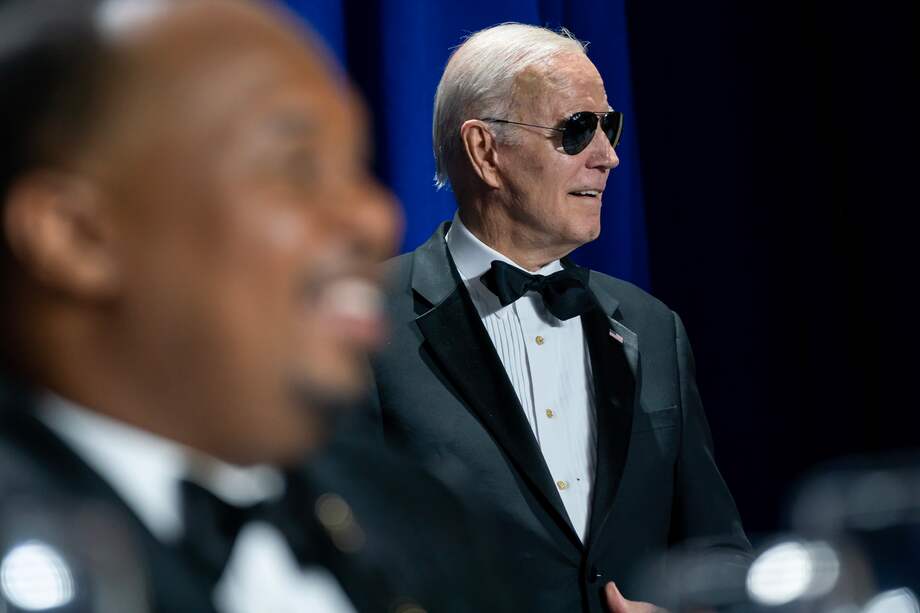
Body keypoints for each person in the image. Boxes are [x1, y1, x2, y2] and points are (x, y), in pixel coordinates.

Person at [0, 1, 507, 612]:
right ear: (77, 236)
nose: (375, 217)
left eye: (355, 167)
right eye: (297, 167)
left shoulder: (423, 515)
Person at [367, 23, 752, 613]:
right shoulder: (365, 321)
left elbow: (717, 553)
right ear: (486, 151)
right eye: (576, 130)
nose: (608, 157)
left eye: (608, 127)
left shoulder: (652, 327)